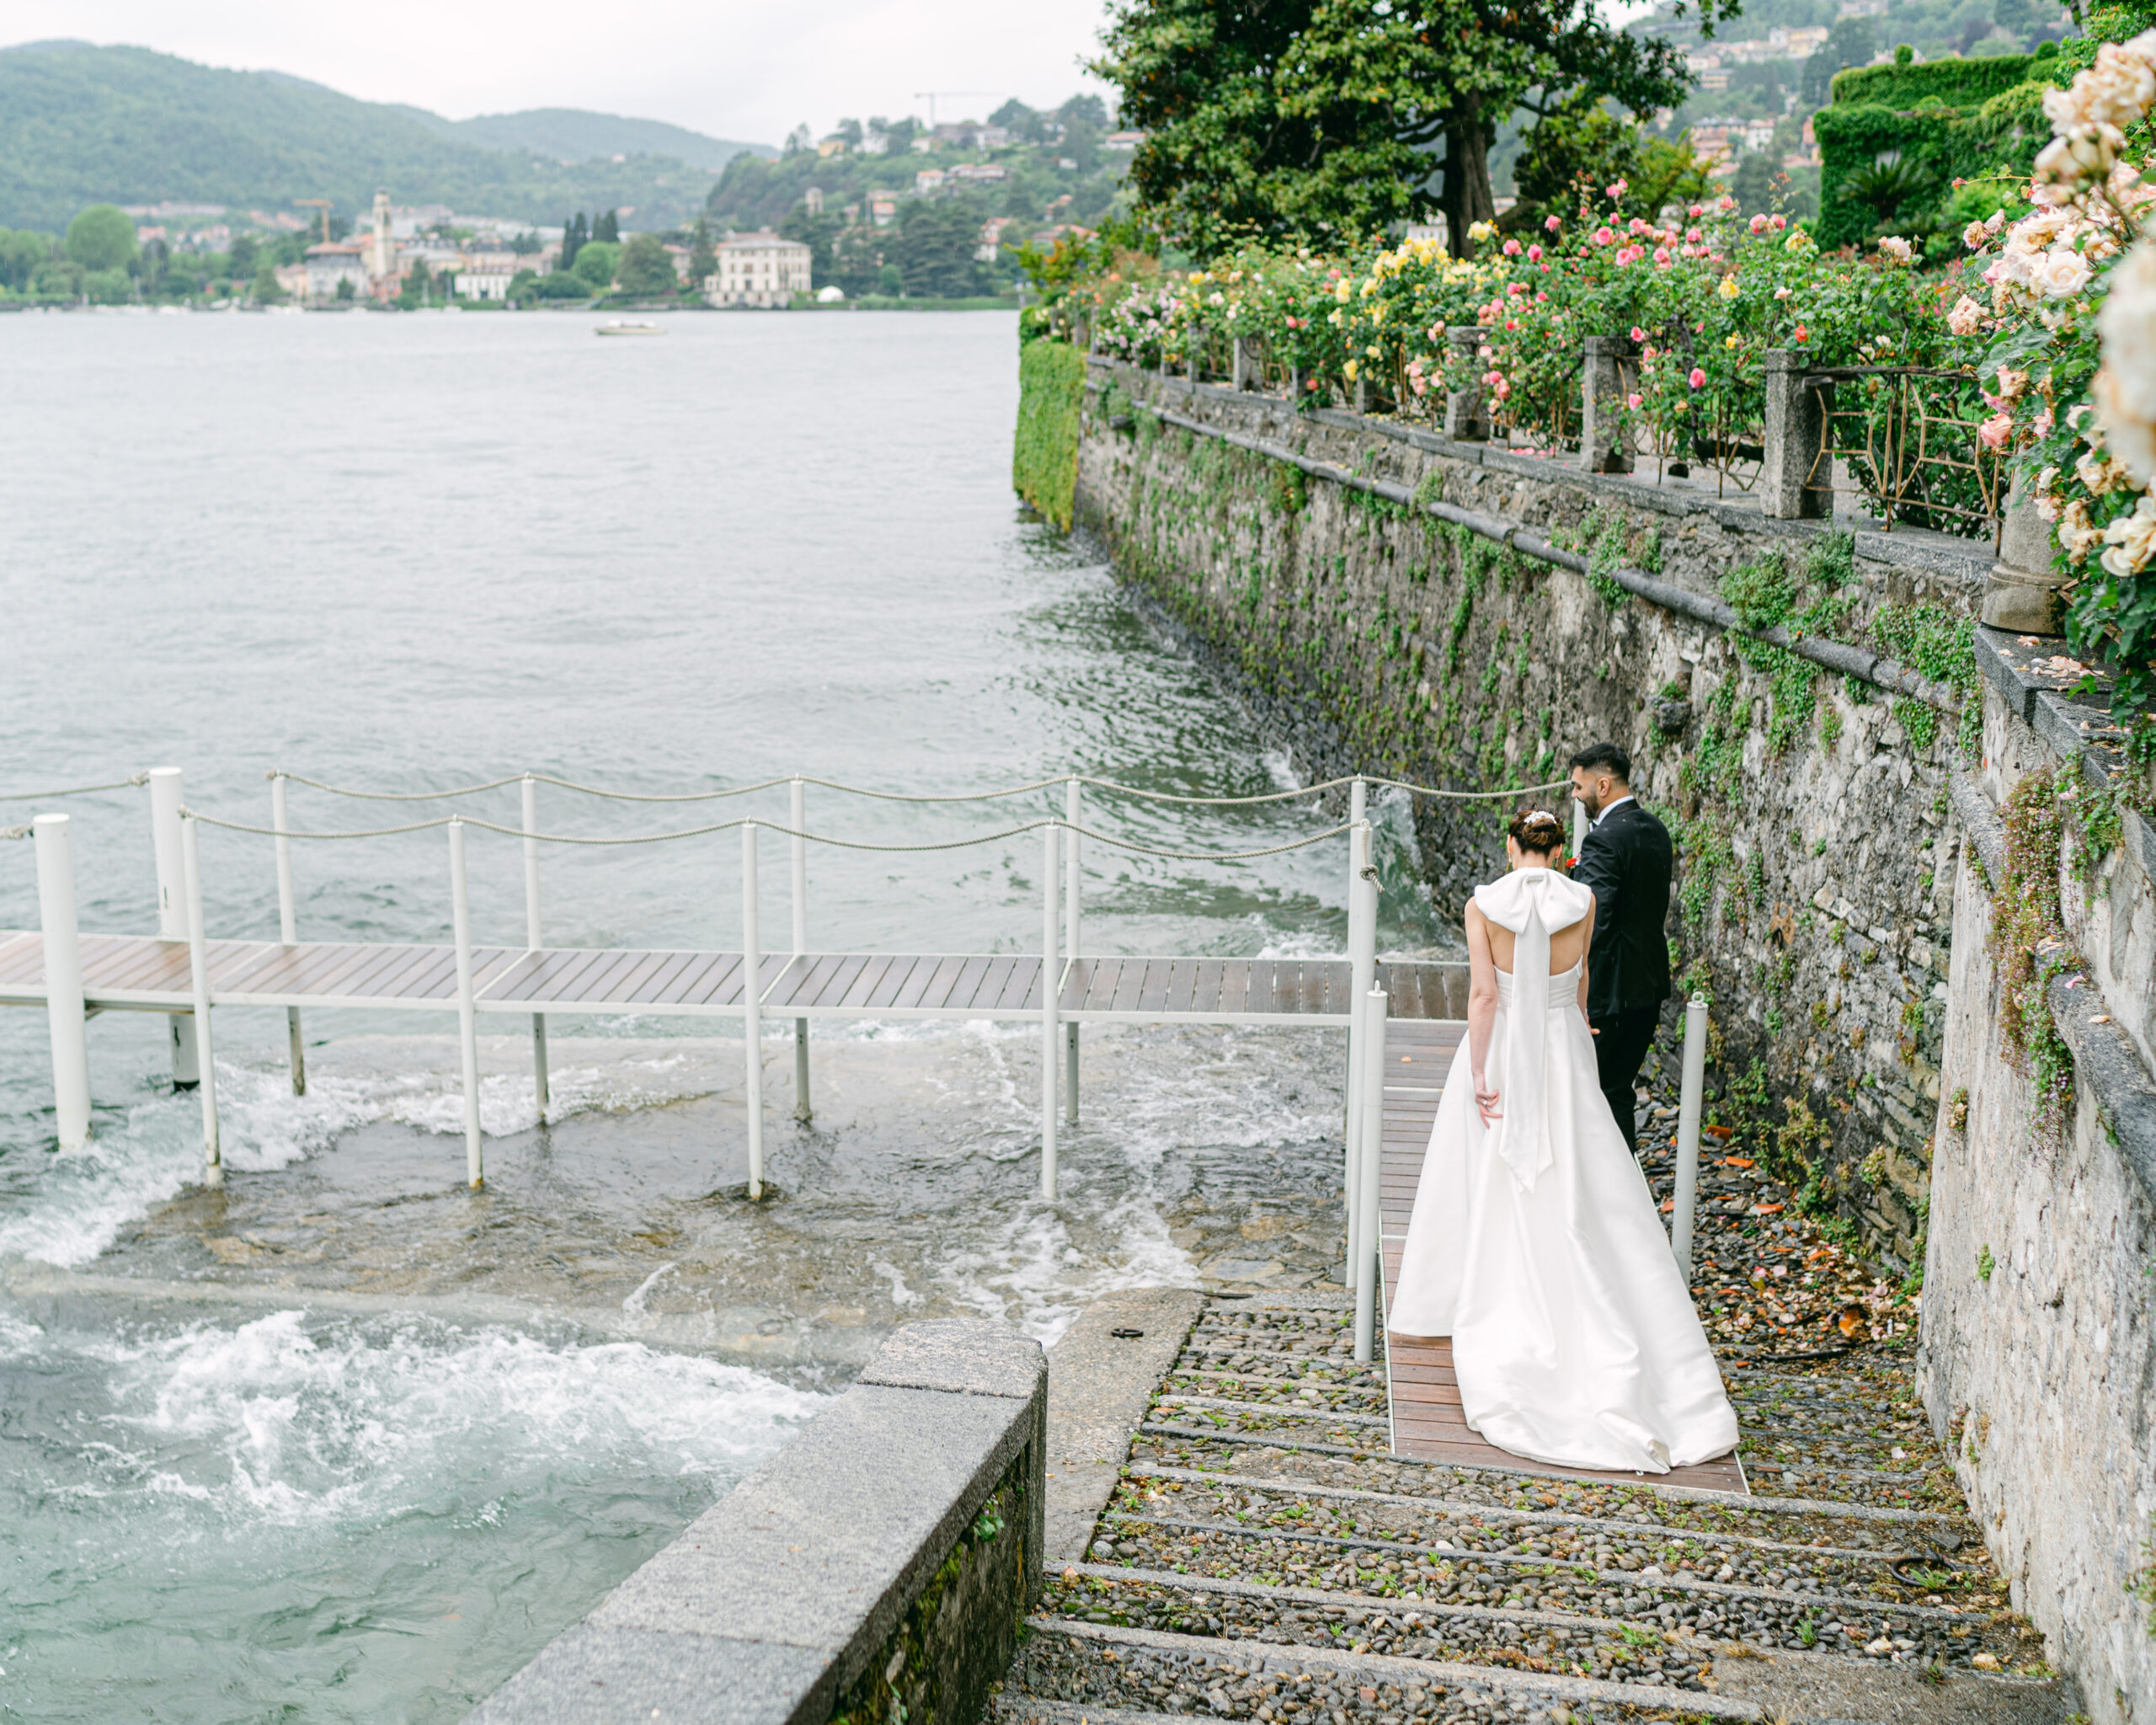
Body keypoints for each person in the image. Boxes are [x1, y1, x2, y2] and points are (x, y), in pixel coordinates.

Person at [1388, 809, 1736, 1473]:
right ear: (1557, 851)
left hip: (1510, 1047)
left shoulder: (1483, 905)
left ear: (1513, 846)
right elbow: (1577, 991)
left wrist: (1484, 1071)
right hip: (1563, 1047)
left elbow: (1486, 997)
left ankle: (1477, 1291)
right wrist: (1575, 1029)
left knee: (1488, 1168)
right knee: (1588, 1175)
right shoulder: (1584, 901)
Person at [1566, 743, 1671, 1156]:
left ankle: (1598, 1196)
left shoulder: (1603, 842)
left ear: (1603, 785)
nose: (1575, 795)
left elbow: (1597, 924)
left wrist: (1580, 998)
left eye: (1578, 787)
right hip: (1647, 990)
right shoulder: (1656, 830)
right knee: (1618, 1090)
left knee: (1590, 1094)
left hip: (1609, 995)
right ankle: (1626, 1196)